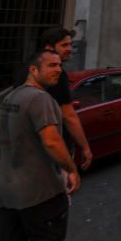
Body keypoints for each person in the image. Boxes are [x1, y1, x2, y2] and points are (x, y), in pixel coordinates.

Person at [0, 50, 81, 241]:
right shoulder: (40, 99)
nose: (59, 70)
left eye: (60, 65)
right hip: (40, 192)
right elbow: (51, 141)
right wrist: (71, 169)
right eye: (52, 65)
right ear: (33, 70)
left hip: (8, 191)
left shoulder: (10, 98)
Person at [39, 28, 92, 170]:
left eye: (70, 44)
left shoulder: (30, 67)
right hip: (51, 152)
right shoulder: (56, 73)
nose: (70, 49)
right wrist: (85, 147)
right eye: (64, 45)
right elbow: (68, 115)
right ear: (49, 48)